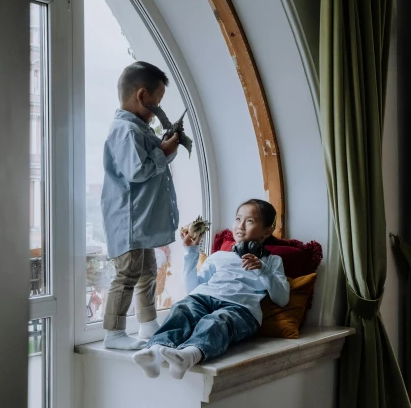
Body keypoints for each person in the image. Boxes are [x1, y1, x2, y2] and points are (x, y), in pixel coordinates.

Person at [133, 199, 289, 378]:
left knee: (217, 320)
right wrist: (191, 252)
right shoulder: (219, 256)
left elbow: (282, 298)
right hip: (204, 297)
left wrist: (263, 270)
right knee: (182, 309)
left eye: (250, 221)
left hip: (240, 309)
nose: (240, 226)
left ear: (267, 231)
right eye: (238, 219)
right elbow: (193, 288)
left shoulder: (272, 261)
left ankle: (187, 356)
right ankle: (155, 352)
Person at [101, 61, 180, 350]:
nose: (157, 110)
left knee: (147, 269)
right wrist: (165, 151)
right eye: (155, 104)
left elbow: (150, 165)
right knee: (127, 273)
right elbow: (137, 171)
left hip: (141, 220)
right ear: (142, 95)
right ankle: (113, 332)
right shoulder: (125, 130)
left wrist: (164, 149)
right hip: (129, 219)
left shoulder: (139, 129)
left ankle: (147, 324)